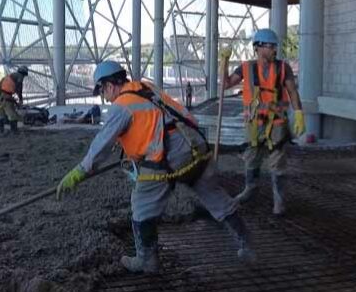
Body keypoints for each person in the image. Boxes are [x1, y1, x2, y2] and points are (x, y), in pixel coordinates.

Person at [56, 61, 255, 274]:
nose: (105, 97)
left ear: (109, 85)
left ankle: (147, 260)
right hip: (195, 146)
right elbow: (154, 122)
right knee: (217, 199)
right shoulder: (146, 88)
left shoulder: (121, 105)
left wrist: (79, 172)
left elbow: (100, 146)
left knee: (141, 207)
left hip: (170, 158)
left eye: (103, 91)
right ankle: (247, 245)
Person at [221, 28, 304, 216]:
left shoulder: (284, 68)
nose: (274, 49)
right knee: (251, 157)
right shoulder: (245, 67)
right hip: (254, 123)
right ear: (258, 47)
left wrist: (298, 112)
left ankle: (279, 201)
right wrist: (224, 62)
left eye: (275, 46)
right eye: (270, 46)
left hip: (277, 123)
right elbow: (225, 84)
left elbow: (292, 92)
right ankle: (250, 189)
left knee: (277, 161)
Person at [0, 66, 28, 133]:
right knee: (12, 114)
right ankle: (14, 131)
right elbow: (19, 89)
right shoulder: (20, 76)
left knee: (1, 113)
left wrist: (15, 102)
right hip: (4, 95)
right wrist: (20, 100)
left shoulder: (10, 75)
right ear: (24, 73)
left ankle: (1, 130)